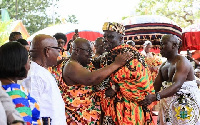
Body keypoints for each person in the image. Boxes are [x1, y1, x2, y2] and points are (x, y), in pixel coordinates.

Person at [93, 22, 156, 124]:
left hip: (129, 107)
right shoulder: (108, 54)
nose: (106, 40)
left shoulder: (129, 53)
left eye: (110, 36)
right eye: (105, 36)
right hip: (111, 107)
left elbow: (140, 79)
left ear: (121, 39)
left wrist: (115, 87)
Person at [59, 37, 133, 124]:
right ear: (77, 51)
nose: (91, 54)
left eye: (92, 50)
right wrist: (116, 64)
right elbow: (91, 79)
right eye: (88, 51)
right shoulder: (71, 65)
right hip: (78, 118)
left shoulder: (81, 63)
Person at [139, 34, 200, 124]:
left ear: (174, 45)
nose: (160, 47)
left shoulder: (181, 61)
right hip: (169, 106)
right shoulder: (164, 65)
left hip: (185, 105)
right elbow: (155, 86)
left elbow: (177, 86)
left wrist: (155, 97)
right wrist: (142, 97)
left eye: (163, 44)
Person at [22, 34, 66, 125]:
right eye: (58, 49)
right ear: (47, 51)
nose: (59, 53)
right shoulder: (35, 76)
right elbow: (32, 112)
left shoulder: (41, 71)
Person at [0, 42, 41, 125]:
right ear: (19, 63)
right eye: (27, 60)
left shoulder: (2, 87)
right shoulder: (16, 93)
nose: (29, 65)